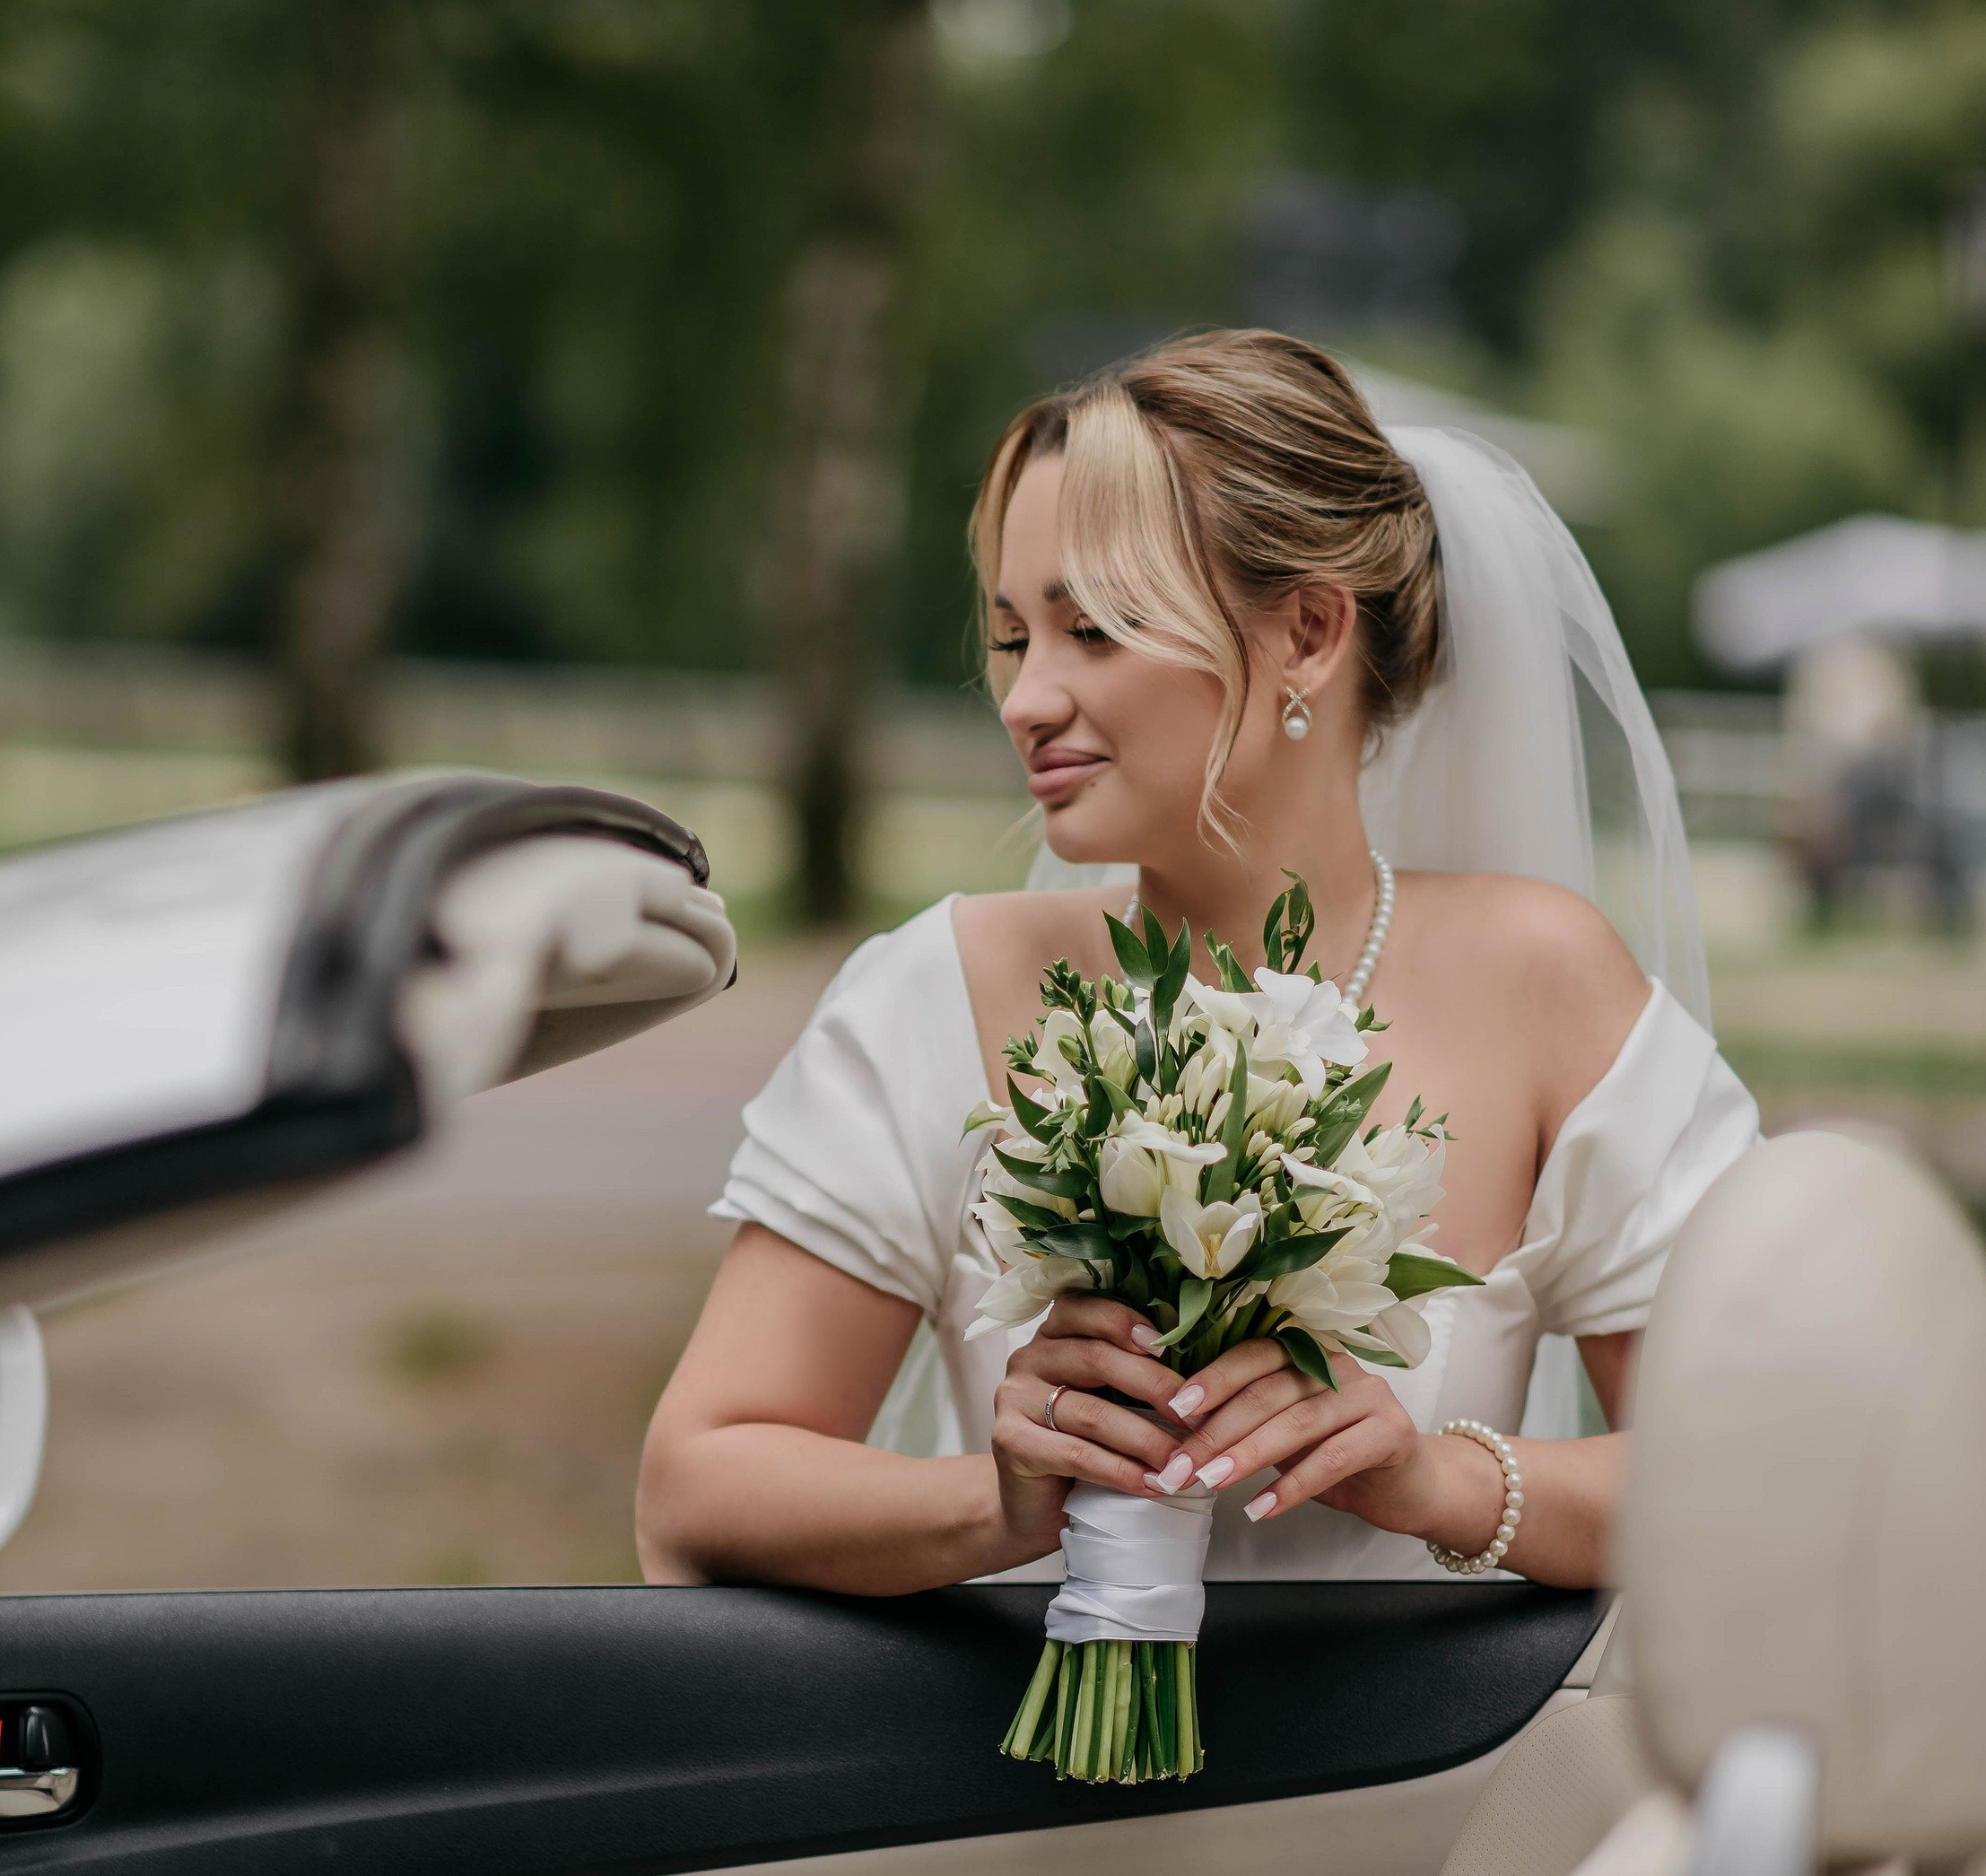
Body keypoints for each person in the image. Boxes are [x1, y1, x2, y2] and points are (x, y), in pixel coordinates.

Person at [638, 330, 1757, 1596]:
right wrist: (1000, 1502)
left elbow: (1750, 1488)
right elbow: (695, 1484)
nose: (1024, 699)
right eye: (1014, 637)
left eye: (1096, 630)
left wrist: (1438, 1478)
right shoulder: (934, 990)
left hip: (1412, 1786)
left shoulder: (1541, 984)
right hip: (1026, 1788)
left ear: (1312, 634)